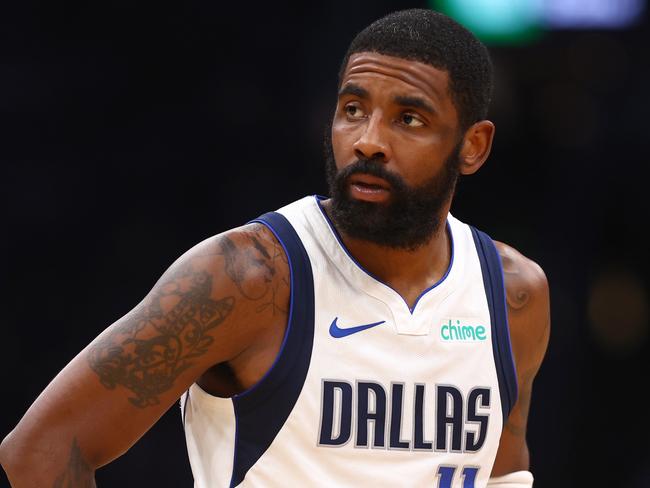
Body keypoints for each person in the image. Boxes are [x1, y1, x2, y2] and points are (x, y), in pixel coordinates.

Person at [0, 8, 550, 488]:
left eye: (408, 119)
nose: (368, 140)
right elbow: (42, 451)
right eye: (353, 108)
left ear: (473, 146)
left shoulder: (512, 293)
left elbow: (502, 474)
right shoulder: (247, 277)